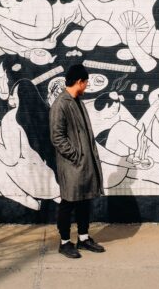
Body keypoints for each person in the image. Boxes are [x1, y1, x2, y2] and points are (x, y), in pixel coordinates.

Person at [0, 79, 60, 210]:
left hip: (38, 186)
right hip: (58, 183)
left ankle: (32, 204)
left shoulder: (11, 118)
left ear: (21, 96)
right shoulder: (47, 113)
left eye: (14, 92)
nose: (11, 96)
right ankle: (56, 197)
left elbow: (10, 159)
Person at [49, 64, 105, 259]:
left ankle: (83, 238)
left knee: (84, 201)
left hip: (84, 164)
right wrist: (76, 155)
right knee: (68, 202)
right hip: (72, 164)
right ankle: (65, 243)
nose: (87, 85)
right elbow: (57, 137)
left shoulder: (77, 101)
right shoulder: (61, 104)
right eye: (86, 82)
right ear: (79, 82)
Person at [67, 0, 159, 51]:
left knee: (95, 25)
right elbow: (101, 10)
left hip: (122, 43)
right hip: (109, 36)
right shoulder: (126, 1)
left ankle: (78, 56)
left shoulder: (154, 10)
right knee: (74, 35)